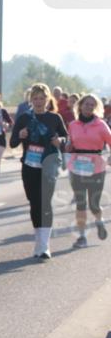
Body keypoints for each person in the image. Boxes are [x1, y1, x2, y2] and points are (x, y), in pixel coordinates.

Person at [10, 83, 68, 259]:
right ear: (31, 100)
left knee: (45, 203)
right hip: (29, 166)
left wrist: (61, 141)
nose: (38, 101)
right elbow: (12, 143)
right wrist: (20, 135)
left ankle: (45, 245)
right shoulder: (24, 118)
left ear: (48, 99)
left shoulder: (54, 118)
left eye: (42, 98)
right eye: (35, 98)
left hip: (48, 165)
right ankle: (39, 239)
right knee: (34, 203)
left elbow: (66, 139)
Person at [66, 93, 111, 247]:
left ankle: (99, 221)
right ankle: (82, 236)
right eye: (87, 104)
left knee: (94, 204)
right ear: (80, 106)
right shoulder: (73, 125)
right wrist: (67, 146)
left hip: (96, 168)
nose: (89, 107)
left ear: (96, 107)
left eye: (92, 105)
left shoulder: (101, 125)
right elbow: (70, 144)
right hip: (76, 167)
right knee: (80, 203)